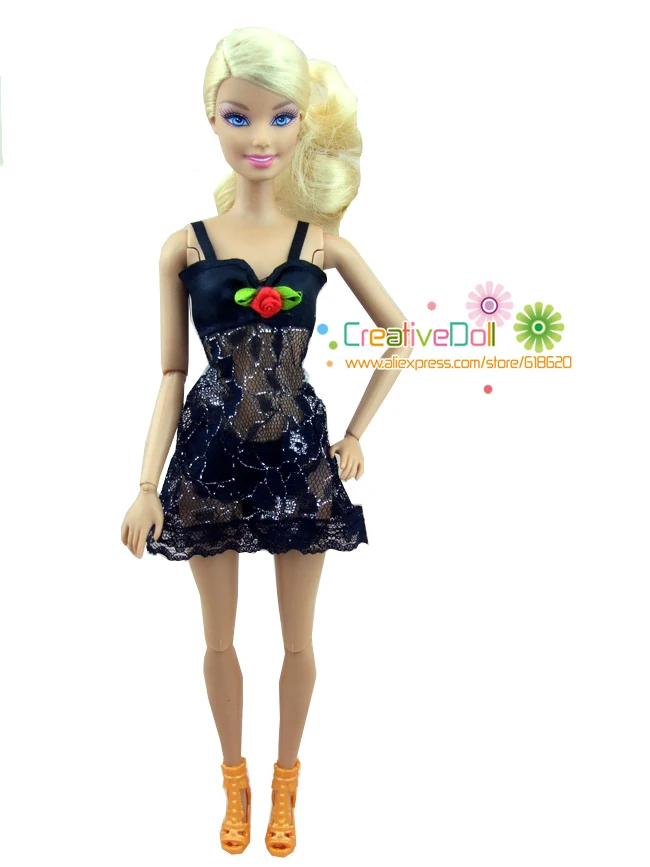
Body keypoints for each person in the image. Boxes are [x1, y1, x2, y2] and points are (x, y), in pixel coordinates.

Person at [120, 26, 412, 857]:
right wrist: (145, 483)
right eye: (238, 116)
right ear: (211, 119)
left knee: (298, 640)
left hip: (298, 458)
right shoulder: (184, 245)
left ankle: (288, 784)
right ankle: (234, 781)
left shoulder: (320, 242)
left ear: (303, 125)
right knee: (218, 639)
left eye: (281, 118)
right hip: (209, 457)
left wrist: (355, 432)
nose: (259, 136)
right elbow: (171, 373)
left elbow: (400, 335)